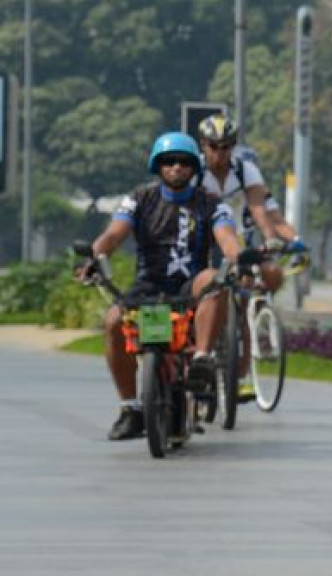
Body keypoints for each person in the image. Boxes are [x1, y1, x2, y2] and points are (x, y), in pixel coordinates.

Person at [76, 132, 248, 440]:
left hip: (189, 286)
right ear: (158, 166)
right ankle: (130, 409)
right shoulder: (139, 198)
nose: (176, 168)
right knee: (114, 321)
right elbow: (114, 235)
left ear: (194, 167)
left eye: (184, 162)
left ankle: (201, 361)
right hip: (149, 284)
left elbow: (228, 240)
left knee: (213, 280)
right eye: (169, 162)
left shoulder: (211, 203)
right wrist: (94, 256)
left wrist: (240, 259)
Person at [195, 114, 305, 297]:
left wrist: (282, 241)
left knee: (262, 276)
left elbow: (264, 214)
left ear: (233, 146)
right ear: (203, 145)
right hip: (203, 239)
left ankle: (255, 313)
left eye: (226, 147)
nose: (219, 153)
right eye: (213, 146)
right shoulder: (194, 170)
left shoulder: (245, 171)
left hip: (239, 240)